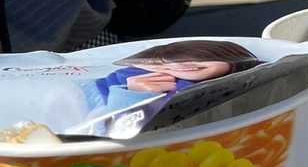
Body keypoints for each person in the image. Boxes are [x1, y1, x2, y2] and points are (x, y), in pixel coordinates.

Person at [82, 40, 260, 111]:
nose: (181, 65)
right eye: (165, 62)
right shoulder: (130, 72)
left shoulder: (200, 88)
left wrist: (132, 96)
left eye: (201, 59)